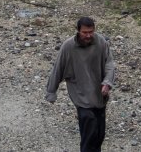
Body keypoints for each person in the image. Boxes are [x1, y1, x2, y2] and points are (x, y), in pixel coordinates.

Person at [45, 16, 115, 152]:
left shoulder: (101, 42)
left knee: (99, 134)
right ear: (78, 31)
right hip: (80, 94)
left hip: (99, 94)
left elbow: (109, 64)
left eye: (91, 32)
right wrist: (51, 92)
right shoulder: (68, 46)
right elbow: (58, 69)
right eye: (85, 32)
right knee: (89, 130)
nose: (88, 35)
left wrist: (107, 82)